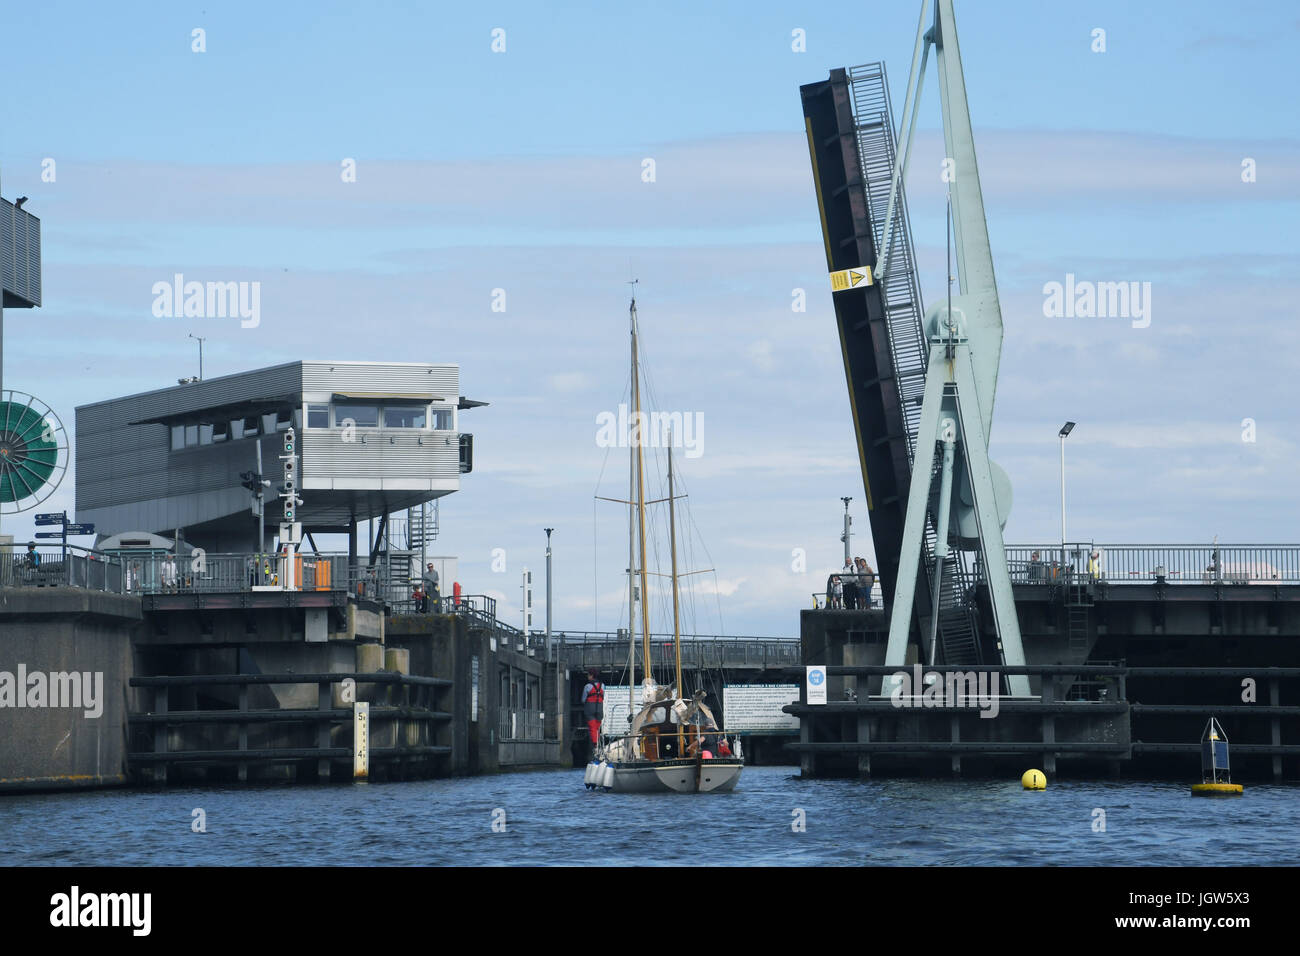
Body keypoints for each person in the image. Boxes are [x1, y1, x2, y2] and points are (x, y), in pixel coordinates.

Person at [581, 669, 604, 753]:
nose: (587, 677)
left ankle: (595, 746)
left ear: (591, 676)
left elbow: (583, 700)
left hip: (590, 708)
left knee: (592, 728)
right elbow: (603, 696)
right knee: (597, 728)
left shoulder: (587, 686)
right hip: (599, 707)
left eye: (588, 675)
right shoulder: (603, 685)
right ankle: (599, 745)